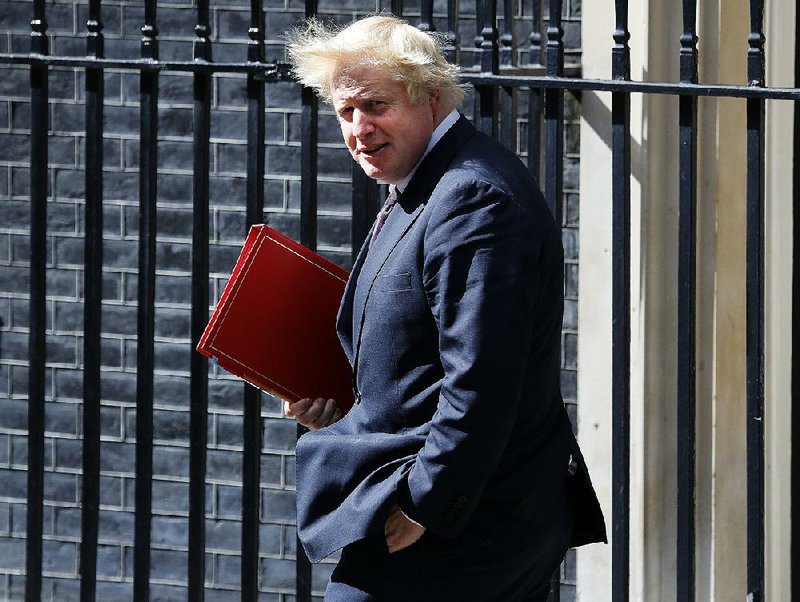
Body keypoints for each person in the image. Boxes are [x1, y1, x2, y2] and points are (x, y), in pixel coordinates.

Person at [283, 14, 606, 601]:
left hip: (463, 524)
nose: (358, 128)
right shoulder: (425, 180)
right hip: (465, 511)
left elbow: (483, 376)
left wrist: (428, 501)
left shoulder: (471, 197)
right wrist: (340, 404)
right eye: (344, 112)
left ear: (430, 96)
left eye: (374, 106)